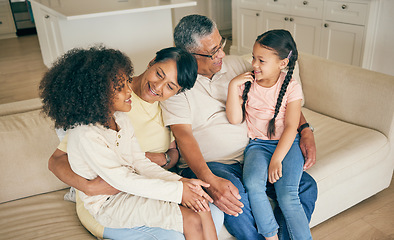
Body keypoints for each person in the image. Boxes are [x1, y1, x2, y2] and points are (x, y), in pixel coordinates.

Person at [160, 14, 318, 240]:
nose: (222, 54)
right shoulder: (177, 84)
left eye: (221, 44)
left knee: (306, 187)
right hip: (216, 165)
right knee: (233, 196)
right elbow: (184, 138)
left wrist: (305, 130)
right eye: (214, 51)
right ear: (188, 54)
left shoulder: (236, 65)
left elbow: (279, 99)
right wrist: (211, 180)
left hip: (255, 153)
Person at [44, 46, 217, 240]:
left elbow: (141, 162)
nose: (159, 87)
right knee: (189, 221)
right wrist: (86, 186)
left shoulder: (122, 117)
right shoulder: (86, 131)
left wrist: (183, 183)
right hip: (109, 201)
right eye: (159, 74)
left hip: (138, 186)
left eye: (171, 86)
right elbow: (120, 178)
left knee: (203, 208)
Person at [226, 30, 312, 240]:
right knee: (253, 185)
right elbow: (235, 119)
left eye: (261, 60)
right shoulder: (247, 83)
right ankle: (270, 236)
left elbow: (292, 126)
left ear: (282, 63)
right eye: (253, 57)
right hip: (258, 145)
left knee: (287, 195)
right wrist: (232, 86)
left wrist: (277, 159)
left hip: (287, 145)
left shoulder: (291, 87)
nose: (254, 64)